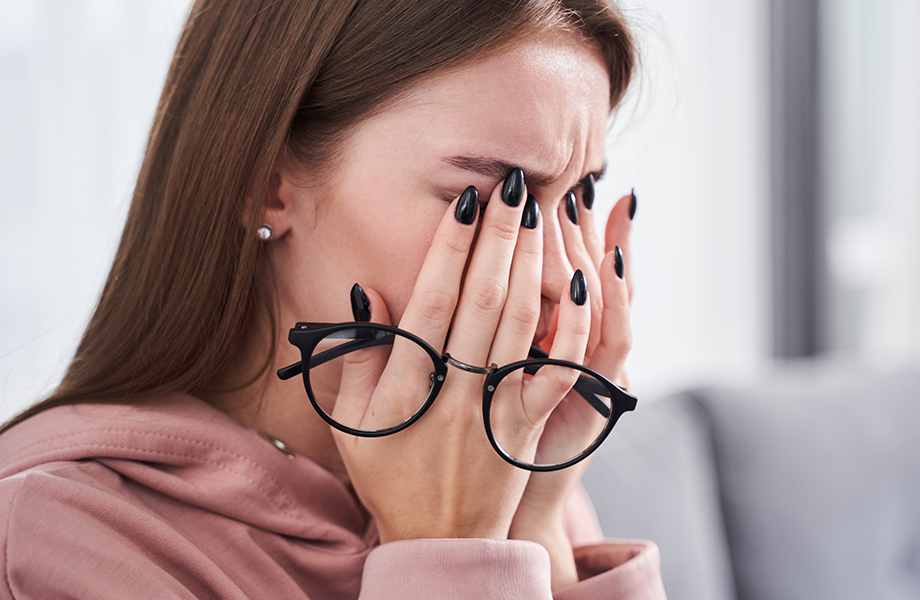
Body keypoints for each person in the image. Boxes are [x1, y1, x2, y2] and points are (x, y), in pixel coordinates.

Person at [0, 0, 666, 597]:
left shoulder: (510, 475)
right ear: (264, 180)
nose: (555, 278)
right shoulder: (55, 541)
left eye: (578, 197)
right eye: (495, 196)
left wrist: (537, 526)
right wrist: (451, 556)